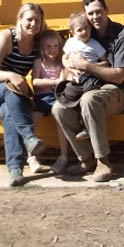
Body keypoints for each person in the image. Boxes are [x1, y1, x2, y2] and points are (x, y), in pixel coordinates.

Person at [52, 0, 124, 182]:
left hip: (117, 92)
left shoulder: (123, 36)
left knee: (89, 100)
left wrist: (86, 66)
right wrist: (68, 64)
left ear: (107, 10)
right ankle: (86, 158)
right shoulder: (84, 32)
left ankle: (103, 162)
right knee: (59, 107)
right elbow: (67, 56)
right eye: (91, 13)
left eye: (99, 12)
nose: (95, 17)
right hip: (86, 87)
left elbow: (119, 75)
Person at [0, 3, 48, 186]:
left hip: (10, 94)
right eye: (29, 19)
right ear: (20, 19)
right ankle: (29, 138)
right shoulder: (6, 37)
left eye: (37, 20)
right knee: (10, 88)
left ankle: (15, 170)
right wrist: (11, 75)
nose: (33, 24)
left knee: (8, 112)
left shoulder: (38, 43)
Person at [55, 11, 109, 141]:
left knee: (88, 97)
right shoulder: (70, 43)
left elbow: (106, 62)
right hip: (76, 77)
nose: (84, 32)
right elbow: (65, 58)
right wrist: (69, 68)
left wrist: (89, 66)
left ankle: (86, 126)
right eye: (80, 30)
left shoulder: (95, 44)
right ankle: (76, 123)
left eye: (86, 28)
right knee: (67, 94)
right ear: (72, 32)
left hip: (91, 76)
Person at [30, 29, 73, 173]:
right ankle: (31, 157)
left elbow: (62, 79)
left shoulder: (60, 64)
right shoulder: (39, 62)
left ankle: (64, 157)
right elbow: (35, 81)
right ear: (42, 47)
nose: (52, 50)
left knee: (61, 123)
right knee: (31, 124)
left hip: (56, 98)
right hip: (41, 98)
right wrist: (51, 81)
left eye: (55, 46)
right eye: (48, 46)